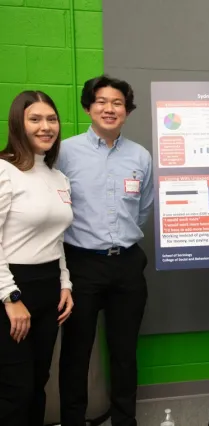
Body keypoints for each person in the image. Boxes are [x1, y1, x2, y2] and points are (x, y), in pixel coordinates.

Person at [57, 75, 153, 425]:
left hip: (127, 264)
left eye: (117, 103)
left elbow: (142, 209)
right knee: (76, 353)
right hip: (80, 265)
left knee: (125, 352)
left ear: (127, 111)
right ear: (88, 107)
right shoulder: (65, 152)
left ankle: (124, 420)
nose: (109, 108)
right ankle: (72, 420)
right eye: (101, 101)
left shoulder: (140, 156)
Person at [0, 91, 74, 426]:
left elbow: (55, 239)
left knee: (38, 382)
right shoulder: (4, 171)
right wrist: (10, 296)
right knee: (15, 388)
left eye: (51, 119)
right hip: (13, 288)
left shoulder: (58, 177)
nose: (46, 127)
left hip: (48, 289)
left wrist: (65, 284)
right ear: (19, 123)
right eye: (35, 119)